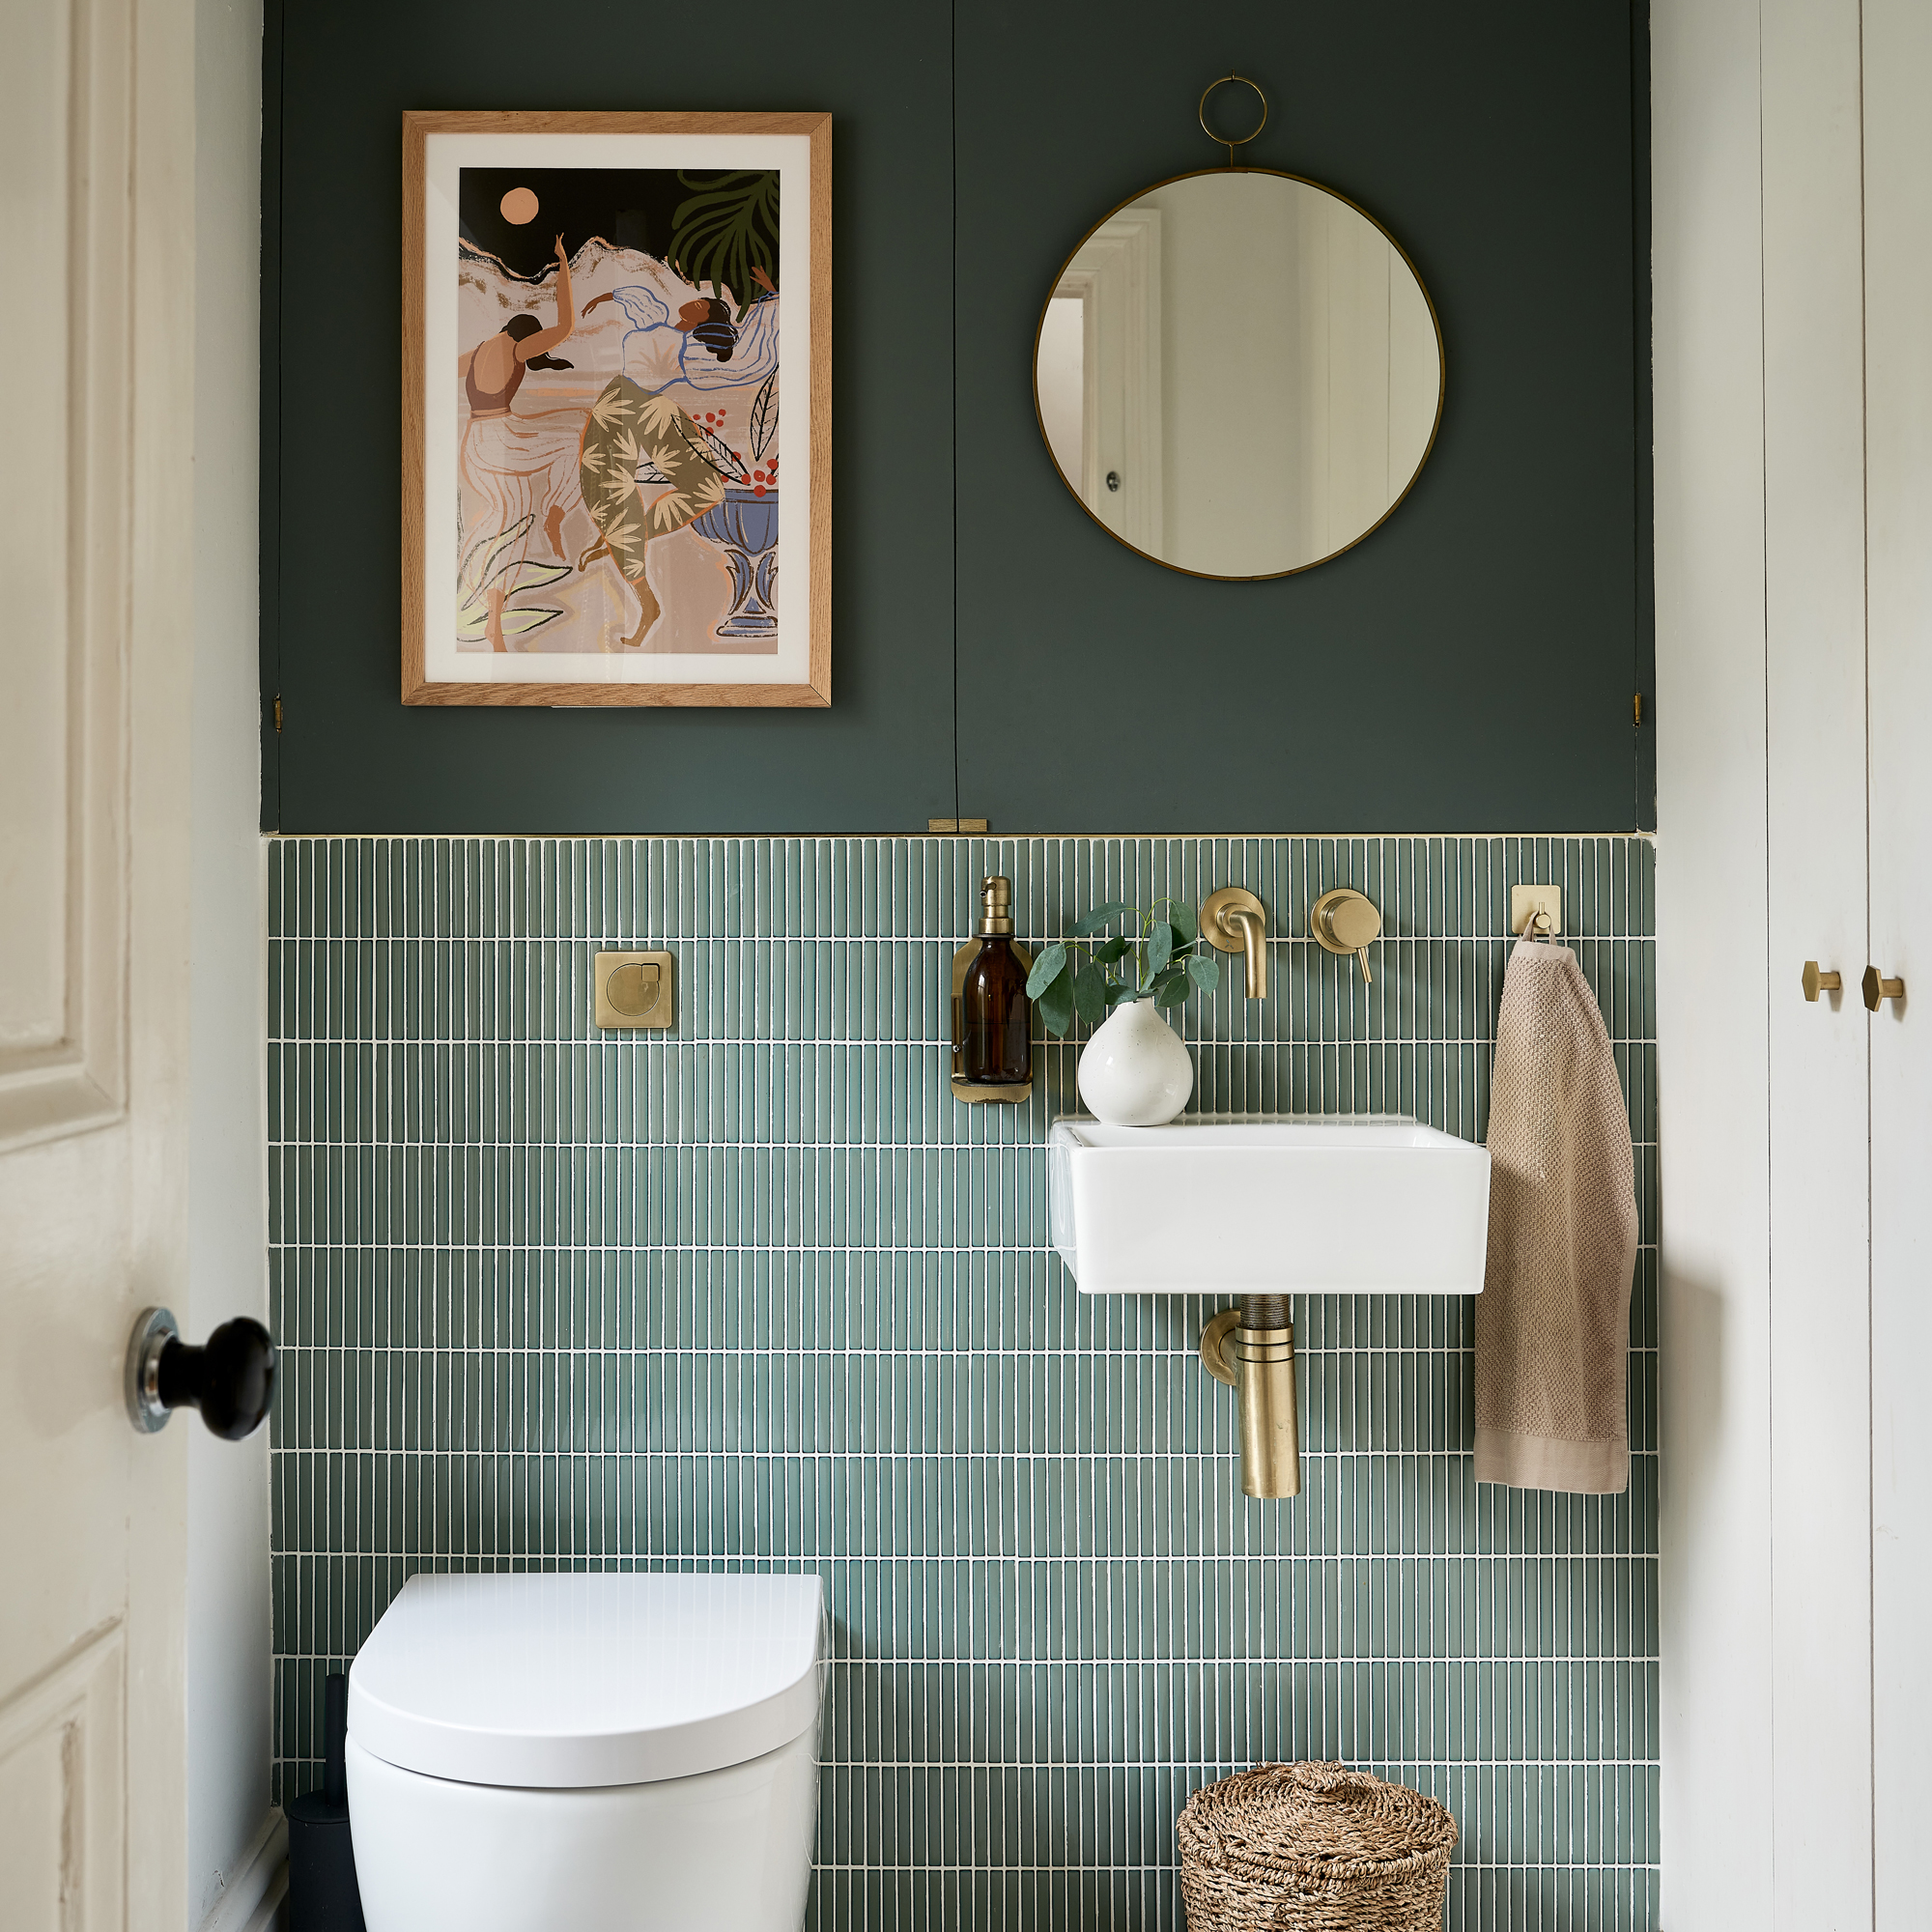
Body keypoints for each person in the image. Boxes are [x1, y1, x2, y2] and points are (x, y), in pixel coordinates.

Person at [574, 268, 779, 646]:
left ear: (703, 318)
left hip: (643, 408)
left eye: (702, 304)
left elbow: (746, 359)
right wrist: (603, 298)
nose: (694, 299)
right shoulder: (660, 323)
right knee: (609, 493)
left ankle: (626, 539)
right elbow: (637, 299)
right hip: (628, 404)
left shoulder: (692, 350)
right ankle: (646, 599)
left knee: (707, 489)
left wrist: (773, 299)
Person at [456, 236, 580, 652]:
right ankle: (557, 512)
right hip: (502, 439)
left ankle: (495, 624)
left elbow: (432, 368)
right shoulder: (516, 345)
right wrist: (563, 266)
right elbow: (565, 327)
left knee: (510, 523)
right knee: (575, 434)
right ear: (524, 335)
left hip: (476, 444)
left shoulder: (477, 351)